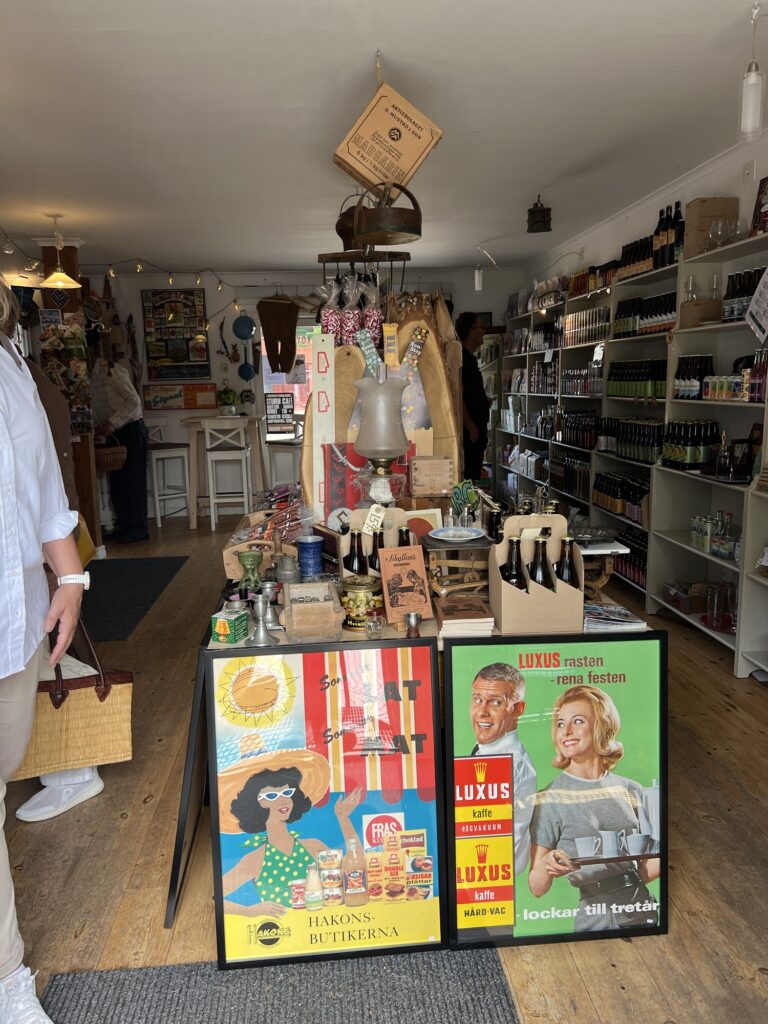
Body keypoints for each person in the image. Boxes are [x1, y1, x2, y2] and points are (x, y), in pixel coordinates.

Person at [0, 281, 87, 1024]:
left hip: (13, 616)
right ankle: (9, 978)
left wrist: (72, 577)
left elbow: (42, 485)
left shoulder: (10, 364)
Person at [15, 359, 103, 822]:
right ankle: (70, 768)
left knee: (50, 654)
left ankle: (73, 766)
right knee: (50, 652)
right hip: (43, 547)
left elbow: (45, 484)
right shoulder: (25, 372)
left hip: (39, 550)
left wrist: (63, 571)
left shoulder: (18, 373)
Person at [528, 684, 661, 933]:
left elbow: (644, 870)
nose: (566, 731)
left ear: (601, 726)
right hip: (597, 919)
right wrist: (547, 864)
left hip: (644, 908)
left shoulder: (631, 789)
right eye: (560, 723)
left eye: (578, 721)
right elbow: (536, 887)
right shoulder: (549, 799)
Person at [220, 749, 362, 917]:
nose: (283, 800)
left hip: (323, 925)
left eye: (286, 793)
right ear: (254, 804)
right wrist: (249, 911)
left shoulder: (313, 846)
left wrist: (343, 817)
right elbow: (216, 898)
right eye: (271, 795)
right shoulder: (254, 860)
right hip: (283, 931)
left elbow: (356, 873)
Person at [469, 663, 536, 875]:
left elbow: (498, 853)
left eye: (495, 702)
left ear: (517, 709)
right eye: (477, 700)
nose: (482, 712)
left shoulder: (508, 766)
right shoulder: (487, 753)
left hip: (487, 880)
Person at [90, 353, 149, 542]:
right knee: (117, 483)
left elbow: (134, 402)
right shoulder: (89, 376)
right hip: (115, 433)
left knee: (133, 482)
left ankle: (138, 528)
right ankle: (124, 525)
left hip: (131, 429)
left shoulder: (111, 371)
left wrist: (112, 422)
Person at [455, 311, 489, 482]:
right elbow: (458, 396)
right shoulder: (463, 359)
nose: (483, 331)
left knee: (471, 477)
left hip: (474, 431)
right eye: (480, 327)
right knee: (468, 478)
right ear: (470, 330)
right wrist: (471, 428)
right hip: (470, 434)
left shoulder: (467, 358)